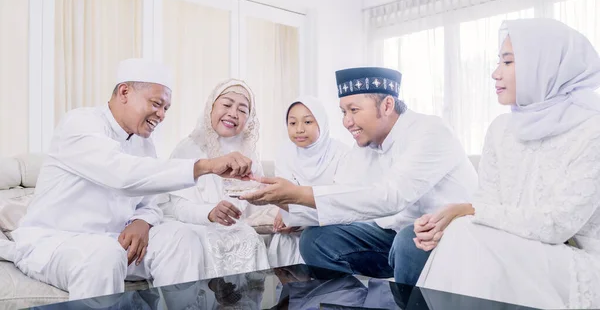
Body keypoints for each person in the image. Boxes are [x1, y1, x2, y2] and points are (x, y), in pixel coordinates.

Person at [11, 58, 254, 300]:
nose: (161, 115)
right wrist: (206, 166)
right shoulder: (81, 123)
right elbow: (122, 174)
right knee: (105, 255)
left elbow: (151, 203)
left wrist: (142, 221)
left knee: (181, 237)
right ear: (124, 92)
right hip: (58, 240)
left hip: (117, 242)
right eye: (156, 104)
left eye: (166, 108)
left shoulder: (144, 143)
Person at [414, 18, 600, 309]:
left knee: (466, 235)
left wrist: (467, 211)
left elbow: (557, 225)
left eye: (508, 62)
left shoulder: (593, 130)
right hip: (512, 247)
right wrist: (448, 222)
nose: (495, 73)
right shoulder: (501, 129)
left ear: (544, 66)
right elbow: (487, 204)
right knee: (461, 233)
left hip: (574, 261)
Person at [241, 67, 478, 285]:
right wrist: (281, 200)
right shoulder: (365, 146)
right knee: (316, 239)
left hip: (445, 234)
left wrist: (298, 193)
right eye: (343, 112)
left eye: (354, 110)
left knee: (409, 240)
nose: (346, 122)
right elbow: (342, 195)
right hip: (392, 235)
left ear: (386, 105)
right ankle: (348, 302)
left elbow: (391, 196)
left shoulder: (429, 131)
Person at [159, 79, 270, 278]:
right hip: (197, 228)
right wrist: (209, 212)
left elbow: (258, 208)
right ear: (210, 108)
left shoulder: (250, 155)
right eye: (226, 105)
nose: (233, 113)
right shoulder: (188, 149)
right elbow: (175, 207)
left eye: (243, 110)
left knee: (249, 238)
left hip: (238, 232)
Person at [268, 96, 349, 267]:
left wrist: (293, 217)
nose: (299, 129)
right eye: (292, 123)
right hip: (294, 226)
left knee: (311, 237)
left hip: (327, 228)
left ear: (321, 123)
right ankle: (286, 292)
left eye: (307, 122)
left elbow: (340, 205)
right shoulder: (284, 152)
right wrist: (285, 214)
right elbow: (284, 195)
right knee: (283, 239)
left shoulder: (341, 153)